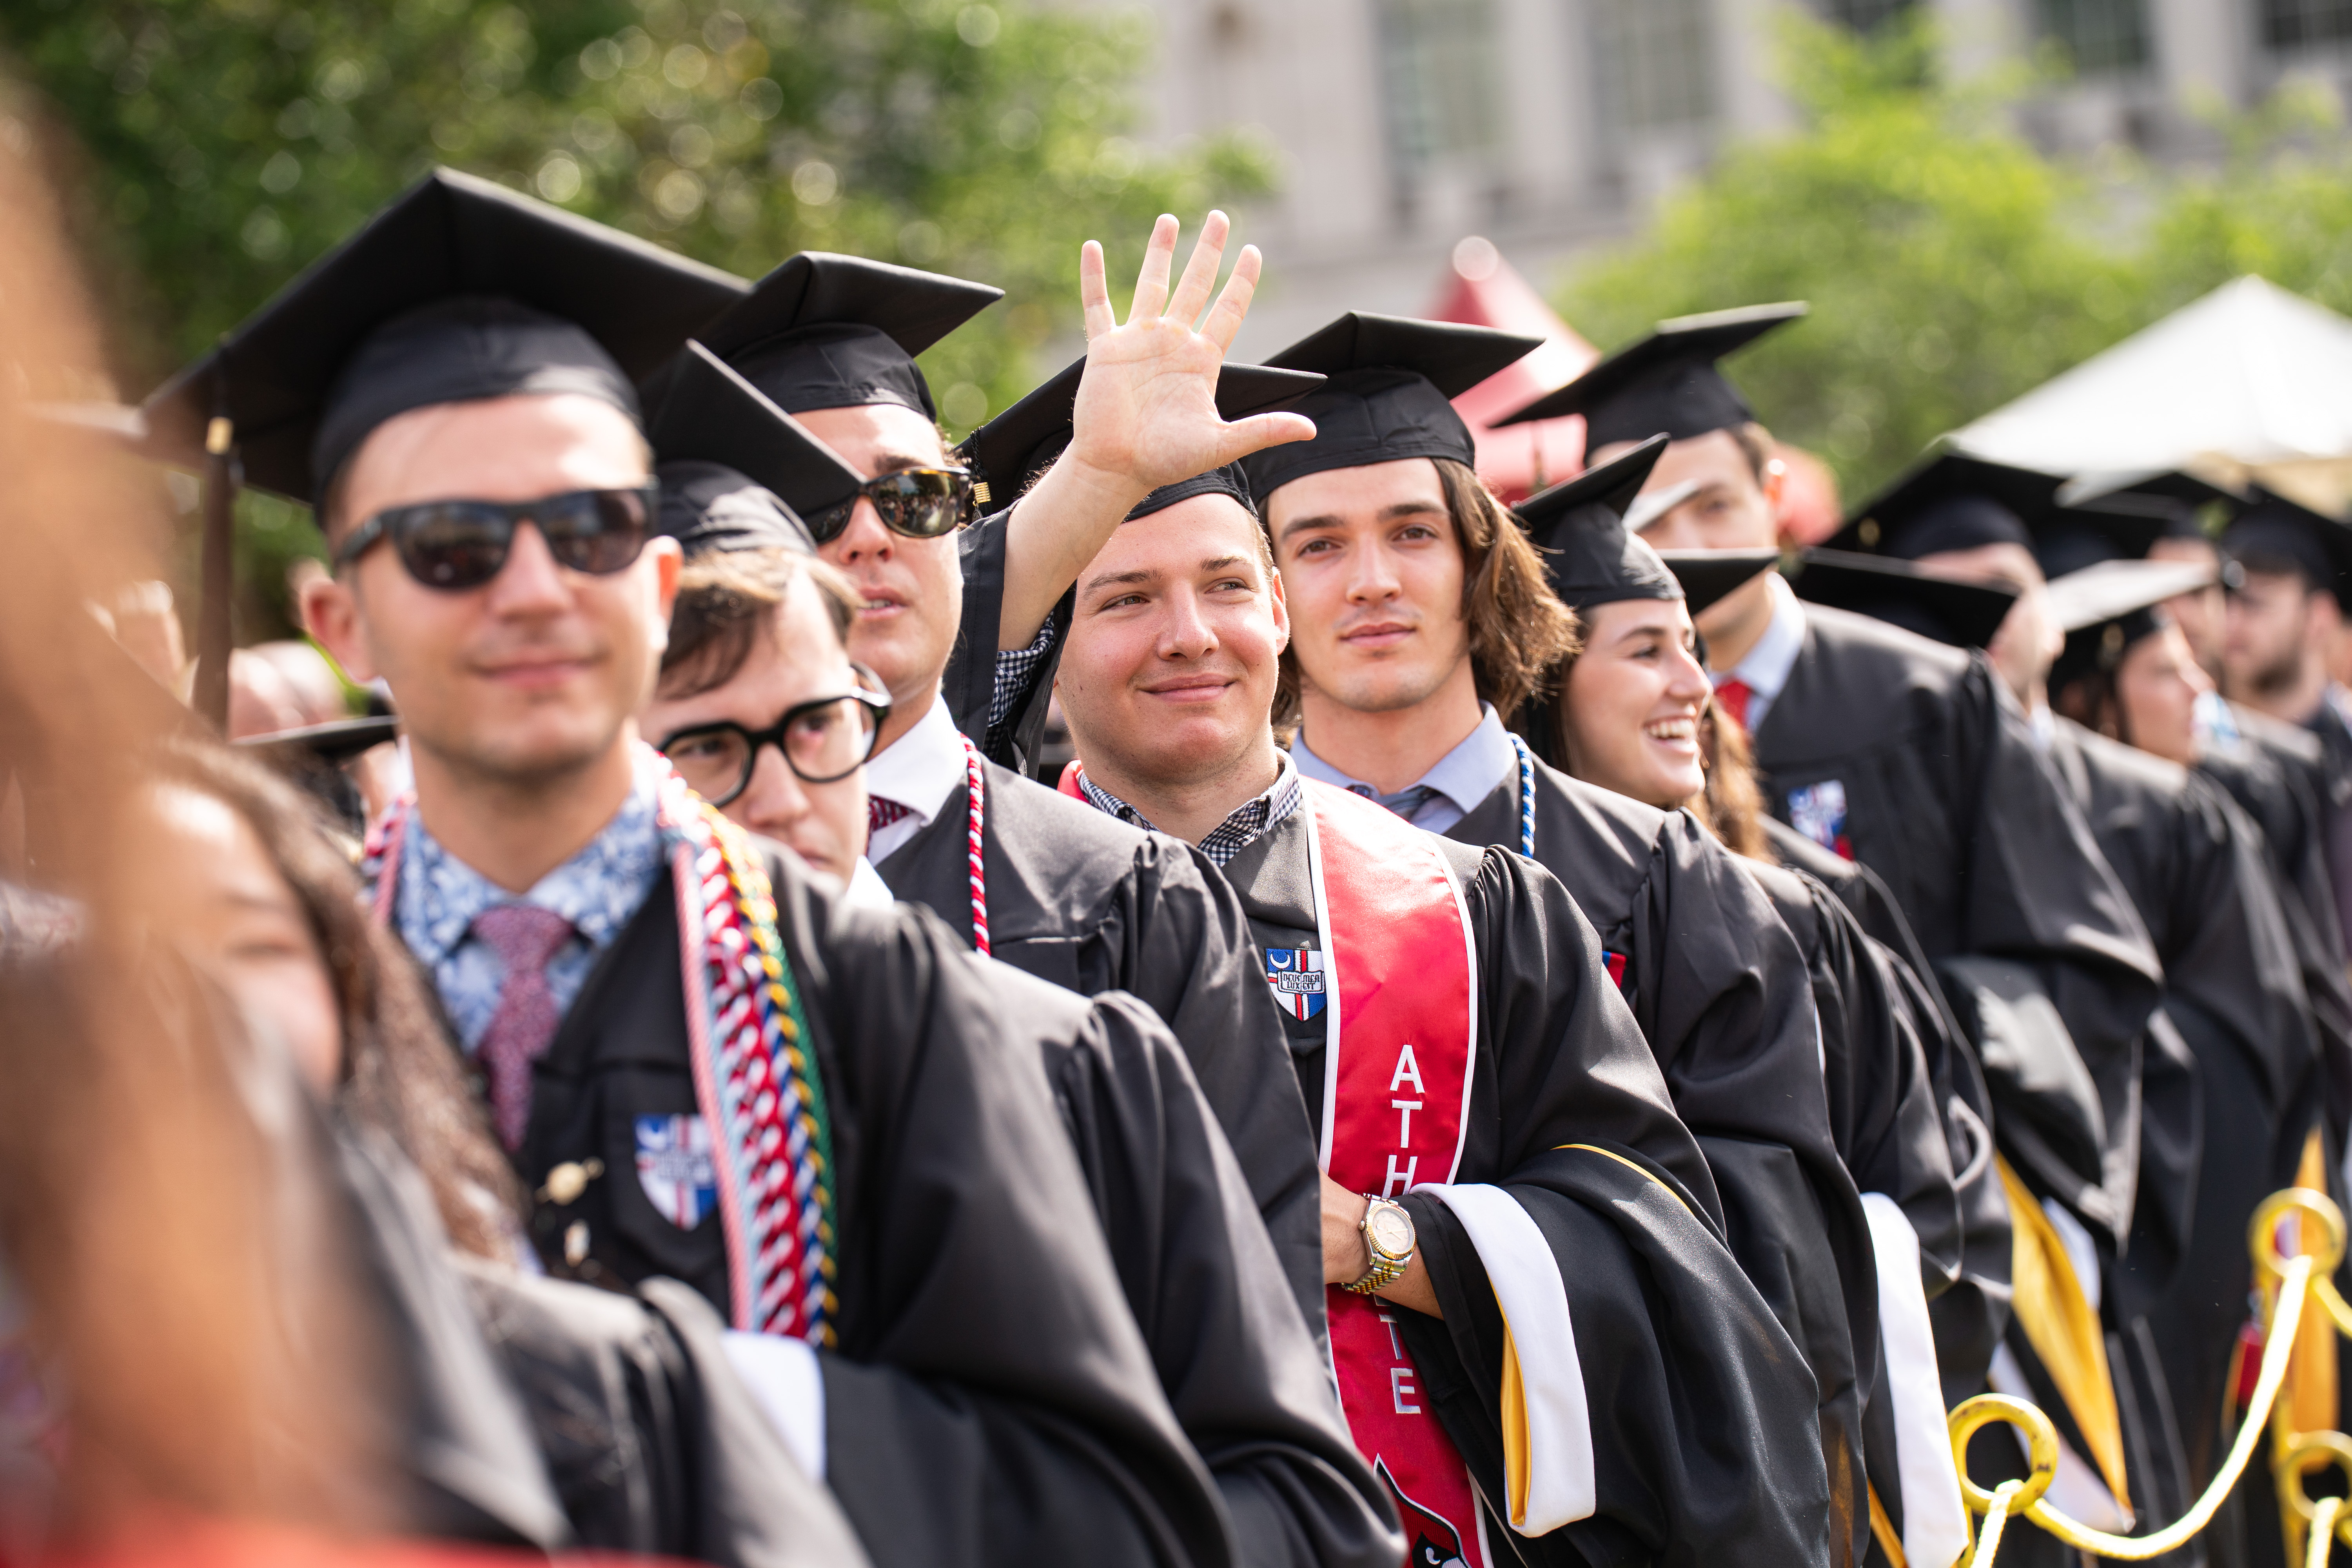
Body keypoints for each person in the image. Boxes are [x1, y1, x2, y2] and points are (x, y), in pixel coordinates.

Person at [149, 166, 1235, 1568]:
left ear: (656, 587)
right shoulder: (251, 1013)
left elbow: (1104, 1515)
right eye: (454, 546)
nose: (534, 588)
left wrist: (665, 1401)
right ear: (339, 618)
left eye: (588, 530)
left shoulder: (881, 999)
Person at [1047, 457, 1833, 1568]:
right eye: (1124, 599)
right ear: (1038, 634)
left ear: (1277, 611)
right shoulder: (976, 919)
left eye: (1226, 585)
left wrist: (1393, 1245)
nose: (1189, 634)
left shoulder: (1475, 912)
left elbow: (1668, 1274)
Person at [1218, 312, 1872, 1567]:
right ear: (1272, 591)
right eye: (1319, 544)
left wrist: (1431, 1253)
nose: (1373, 581)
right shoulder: (1205, 887)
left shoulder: (1662, 879)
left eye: (1414, 533)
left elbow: (1767, 1253)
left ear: (1483, 562)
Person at [643, 521, 1402, 1568]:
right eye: (707, 749)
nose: (777, 796)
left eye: (818, 728)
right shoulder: (512, 1051)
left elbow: (1293, 1490)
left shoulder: (1085, 1061)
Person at [1506, 326, 2165, 1420]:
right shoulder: (1541, 858)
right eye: (1649, 522)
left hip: (1930, 1206)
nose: (1682, 541)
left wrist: (1888, 1019)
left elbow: (2076, 961)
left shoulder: (1924, 697)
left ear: (1773, 495)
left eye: (1711, 506)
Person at [684, 225, 1333, 1328]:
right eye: (810, 507)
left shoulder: (1141, 902)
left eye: (916, 497)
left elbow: (1253, 1349)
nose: (871, 539)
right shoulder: (643, 880)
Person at [125, 739, 880, 1566]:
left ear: (347, 987)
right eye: (131, 957)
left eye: (252, 946)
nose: (198, 1002)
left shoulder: (575, 1375)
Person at [1508, 444, 1974, 1568]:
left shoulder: (1807, 915)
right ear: (1546, 682)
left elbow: (1930, 1189)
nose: (1694, 687)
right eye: (1649, 650)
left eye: (1696, 652)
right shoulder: (1492, 918)